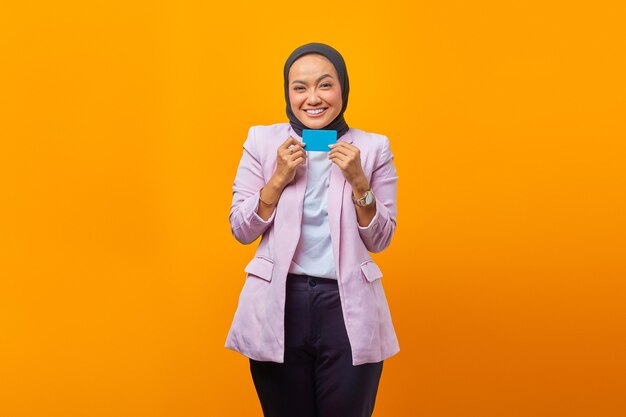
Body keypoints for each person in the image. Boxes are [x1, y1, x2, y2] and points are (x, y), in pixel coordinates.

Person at [225, 43, 400, 417]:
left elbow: (381, 239)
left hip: (347, 305)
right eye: (299, 87)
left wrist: (359, 182)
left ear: (343, 89)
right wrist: (277, 179)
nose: (313, 98)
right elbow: (240, 229)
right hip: (279, 302)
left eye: (325, 85)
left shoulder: (372, 148)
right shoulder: (261, 141)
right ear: (288, 93)